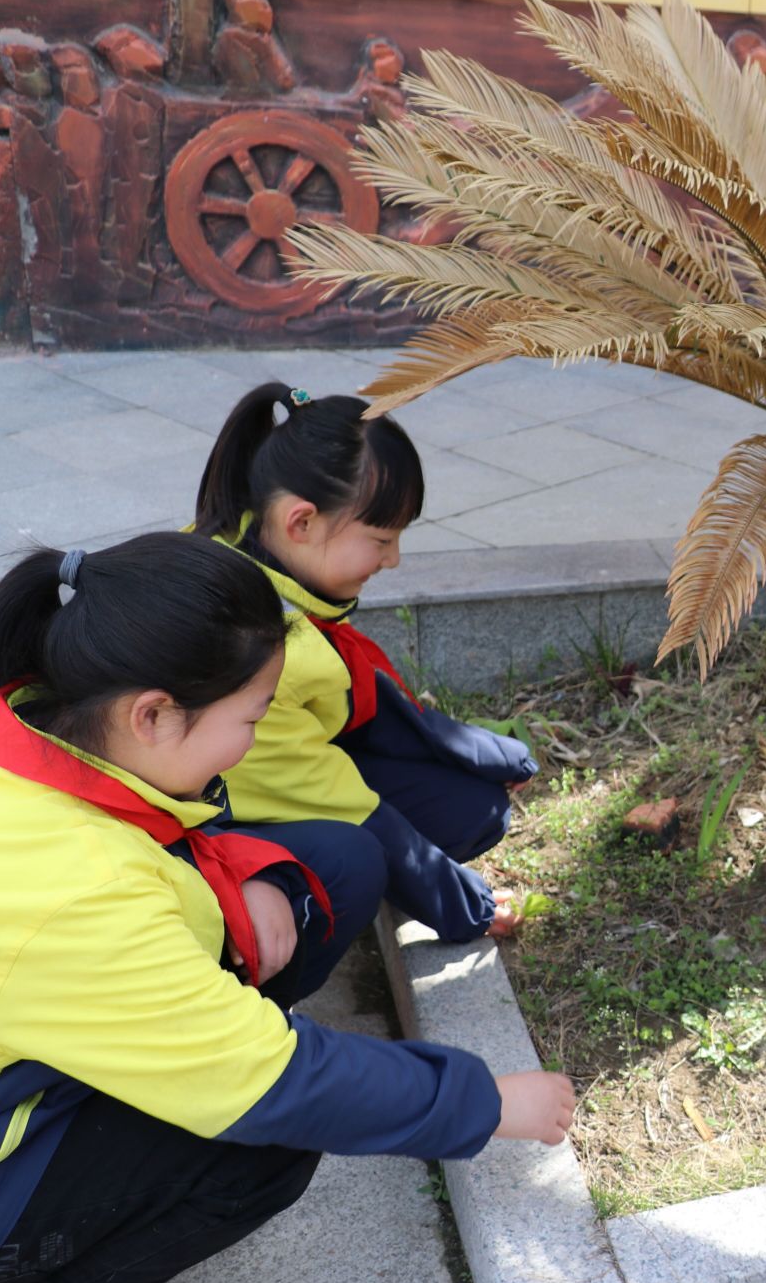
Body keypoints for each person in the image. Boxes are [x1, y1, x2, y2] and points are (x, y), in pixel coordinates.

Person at [0, 534, 575, 1283]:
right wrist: (483, 1102)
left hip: (33, 1046)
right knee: (261, 1141)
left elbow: (156, 827)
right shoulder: (81, 895)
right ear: (151, 713)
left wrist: (250, 870)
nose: (252, 741)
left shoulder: (34, 732)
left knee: (333, 866)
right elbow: (276, 1083)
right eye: (250, 716)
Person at [191, 383, 538, 942]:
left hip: (279, 773)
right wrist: (462, 905)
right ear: (300, 522)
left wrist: (479, 753)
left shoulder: (247, 545)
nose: (393, 559)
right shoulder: (263, 653)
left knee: (475, 808)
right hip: (216, 820)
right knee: (355, 864)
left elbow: (358, 701)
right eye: (380, 538)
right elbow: (347, 806)